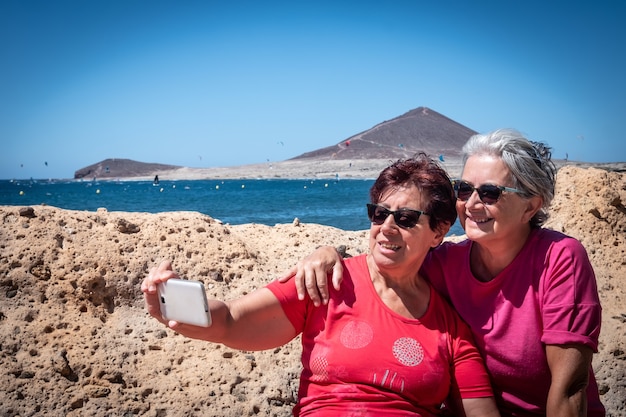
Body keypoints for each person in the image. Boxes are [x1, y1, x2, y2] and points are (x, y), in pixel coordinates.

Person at [142, 153, 500, 417]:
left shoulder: (450, 330)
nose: (387, 227)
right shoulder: (327, 281)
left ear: (438, 232)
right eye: (379, 213)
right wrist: (176, 306)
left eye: (405, 219)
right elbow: (232, 320)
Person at [283, 129, 605, 417]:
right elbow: (384, 257)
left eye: (490, 193)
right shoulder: (444, 262)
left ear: (530, 207)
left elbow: (570, 389)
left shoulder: (558, 258)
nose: (472, 204)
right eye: (464, 190)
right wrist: (329, 253)